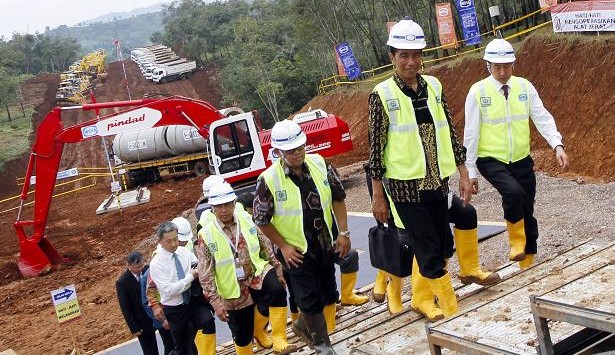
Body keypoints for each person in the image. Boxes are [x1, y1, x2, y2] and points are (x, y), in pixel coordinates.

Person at [368, 17, 473, 320]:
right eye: (404, 55)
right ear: (392, 57)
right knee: (427, 250)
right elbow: (375, 149)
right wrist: (377, 194)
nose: (411, 62)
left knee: (442, 245)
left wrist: (463, 172)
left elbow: (450, 132)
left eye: (416, 55)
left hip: (437, 182)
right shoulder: (382, 94)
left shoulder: (434, 86)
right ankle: (452, 311)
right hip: (405, 187)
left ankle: (421, 298)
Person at [463, 38, 569, 269]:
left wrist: (557, 145)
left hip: (521, 158)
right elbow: (470, 133)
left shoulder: (524, 87)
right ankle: (516, 242)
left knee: (527, 206)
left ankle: (528, 260)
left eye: (507, 66)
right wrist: (470, 171)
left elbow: (542, 117)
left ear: (514, 64)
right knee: (513, 193)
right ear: (488, 66)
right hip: (490, 158)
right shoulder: (478, 92)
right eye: (497, 67)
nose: (503, 72)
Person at [254, 119, 351, 354]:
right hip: (295, 251)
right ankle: (322, 345)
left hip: (324, 242)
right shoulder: (269, 180)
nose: (297, 153)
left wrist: (344, 232)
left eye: (300, 148)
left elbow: (338, 197)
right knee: (308, 299)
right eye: (290, 151)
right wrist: (284, 247)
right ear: (278, 152)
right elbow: (261, 220)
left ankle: (301, 326)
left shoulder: (320, 164)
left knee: (328, 291)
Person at [237, 192, 368, 333]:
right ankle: (297, 322)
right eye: (250, 213)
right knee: (295, 293)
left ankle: (335, 309)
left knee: (339, 267)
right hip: (281, 259)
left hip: (313, 246)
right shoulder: (250, 223)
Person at [197, 182, 297, 355]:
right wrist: (215, 301)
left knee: (276, 289)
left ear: (234, 204)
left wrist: (277, 269)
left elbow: (265, 243)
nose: (223, 210)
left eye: (227, 205)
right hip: (232, 288)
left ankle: (279, 339)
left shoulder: (246, 218)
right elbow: (205, 273)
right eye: (219, 206)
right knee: (242, 334)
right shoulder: (206, 235)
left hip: (255, 272)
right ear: (212, 208)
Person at [149, 221, 217, 355]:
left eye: (176, 239)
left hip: (193, 300)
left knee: (208, 321)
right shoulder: (156, 264)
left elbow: (197, 266)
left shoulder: (184, 252)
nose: (174, 244)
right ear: (160, 241)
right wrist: (190, 276)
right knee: (184, 347)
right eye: (169, 241)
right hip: (175, 309)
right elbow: (168, 290)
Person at [116, 251, 159, 355]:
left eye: (141, 265)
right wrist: (134, 327)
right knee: (149, 349)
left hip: (155, 314)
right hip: (142, 321)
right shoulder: (122, 282)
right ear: (129, 266)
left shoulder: (147, 270)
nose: (140, 269)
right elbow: (125, 307)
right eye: (137, 267)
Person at [141, 263, 175, 355]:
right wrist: (162, 321)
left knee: (179, 344)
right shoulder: (147, 276)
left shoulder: (166, 269)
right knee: (170, 345)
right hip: (161, 319)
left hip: (172, 315)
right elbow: (146, 304)